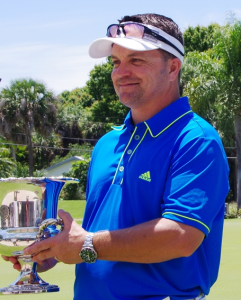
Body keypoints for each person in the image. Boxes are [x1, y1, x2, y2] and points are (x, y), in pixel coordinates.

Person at [4, 13, 229, 300]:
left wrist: (85, 244)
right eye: (116, 62)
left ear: (173, 68)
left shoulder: (196, 139)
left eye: (136, 60)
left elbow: (179, 236)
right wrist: (55, 250)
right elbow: (99, 232)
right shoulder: (107, 143)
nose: (120, 72)